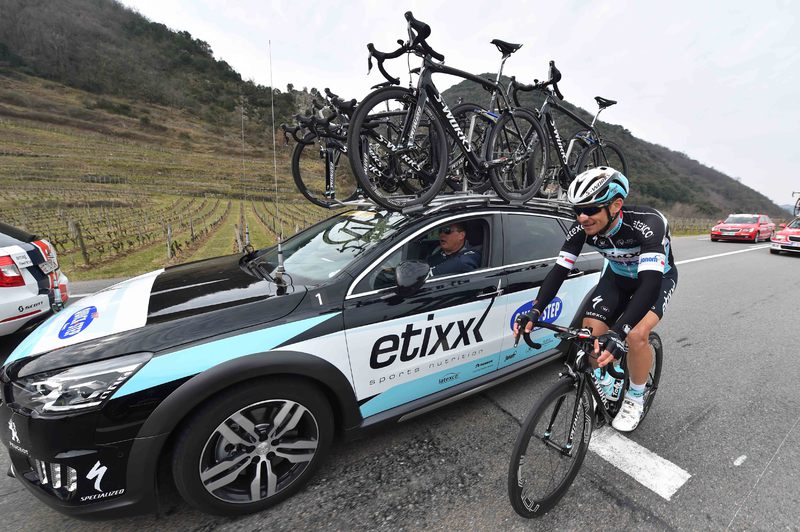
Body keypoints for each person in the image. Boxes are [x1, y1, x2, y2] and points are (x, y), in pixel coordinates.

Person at [514, 167, 677, 432]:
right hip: (616, 280)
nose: (582, 217)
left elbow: (649, 284)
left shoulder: (648, 223)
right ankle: (607, 379)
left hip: (655, 281)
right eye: (577, 210)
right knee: (591, 334)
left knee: (635, 335)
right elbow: (559, 271)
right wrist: (536, 310)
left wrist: (620, 331)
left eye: (591, 209)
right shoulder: (581, 229)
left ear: (616, 205)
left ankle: (635, 397)